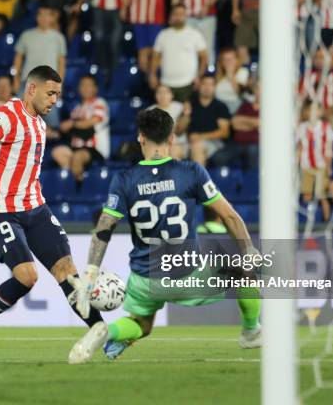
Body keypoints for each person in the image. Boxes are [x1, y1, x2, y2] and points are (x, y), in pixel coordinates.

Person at [66, 108, 262, 364]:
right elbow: (229, 216)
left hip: (145, 279)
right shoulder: (191, 172)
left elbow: (104, 227)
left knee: (142, 325)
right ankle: (251, 332)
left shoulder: (124, 179)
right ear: (172, 138)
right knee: (243, 271)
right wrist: (248, 250)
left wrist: (91, 272)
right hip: (186, 273)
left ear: (140, 138)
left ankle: (107, 331)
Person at [0, 65, 105, 363]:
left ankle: (101, 331)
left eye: (58, 95)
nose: (54, 100)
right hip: (4, 211)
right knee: (27, 277)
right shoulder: (7, 115)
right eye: (50, 93)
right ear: (31, 89)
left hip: (35, 207)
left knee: (68, 272)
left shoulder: (39, 123)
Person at [12, 6, 66, 130]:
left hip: (50, 85)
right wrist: (15, 79)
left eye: (47, 15)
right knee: (19, 119)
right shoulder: (26, 35)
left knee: (52, 123)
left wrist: (60, 85)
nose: (43, 18)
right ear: (36, 17)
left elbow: (62, 63)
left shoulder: (59, 38)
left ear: (52, 18)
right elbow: (18, 59)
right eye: (40, 15)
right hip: (28, 82)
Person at [52, 75, 110, 182]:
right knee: (57, 152)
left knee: (77, 157)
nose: (85, 88)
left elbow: (93, 121)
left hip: (94, 150)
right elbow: (69, 129)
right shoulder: (77, 109)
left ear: (95, 88)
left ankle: (80, 187)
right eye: (83, 85)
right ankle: (75, 180)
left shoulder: (100, 103)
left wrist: (71, 124)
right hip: (76, 148)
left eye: (89, 85)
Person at [149, 3, 208, 103]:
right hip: (166, 84)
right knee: (165, 117)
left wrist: (199, 76)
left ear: (186, 16)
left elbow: (204, 58)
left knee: (185, 116)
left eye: (181, 14)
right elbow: (155, 57)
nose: (178, 17)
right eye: (176, 14)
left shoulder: (195, 34)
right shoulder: (163, 35)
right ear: (171, 16)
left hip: (188, 84)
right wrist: (152, 75)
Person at [296, 100, 333, 222]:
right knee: (307, 194)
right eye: (309, 110)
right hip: (306, 166)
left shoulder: (325, 127)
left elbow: (329, 148)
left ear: (320, 112)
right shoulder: (302, 127)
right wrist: (296, 165)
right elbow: (300, 148)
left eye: (315, 110)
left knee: (321, 195)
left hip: (321, 166)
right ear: (305, 112)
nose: (312, 113)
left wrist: (329, 166)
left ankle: (326, 221)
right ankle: (309, 222)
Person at [213, 79, 260, 169]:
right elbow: (234, 123)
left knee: (252, 152)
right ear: (254, 90)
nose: (260, 91)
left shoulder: (269, 108)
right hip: (237, 144)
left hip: (255, 144)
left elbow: (261, 124)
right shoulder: (246, 106)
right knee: (218, 157)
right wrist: (253, 124)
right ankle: (225, 182)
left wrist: (244, 122)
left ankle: (252, 181)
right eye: (258, 88)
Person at [187, 74, 231, 166]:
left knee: (197, 147)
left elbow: (224, 132)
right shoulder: (191, 104)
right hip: (189, 141)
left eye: (211, 84)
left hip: (213, 142)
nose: (207, 87)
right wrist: (185, 115)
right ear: (199, 86)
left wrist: (200, 137)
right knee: (173, 150)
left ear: (215, 87)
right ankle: (176, 180)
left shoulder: (220, 106)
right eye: (205, 84)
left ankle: (198, 181)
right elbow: (179, 130)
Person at [147, 84, 190, 160]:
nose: (163, 95)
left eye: (166, 92)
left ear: (172, 95)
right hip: (158, 144)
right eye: (159, 92)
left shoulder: (180, 107)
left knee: (173, 151)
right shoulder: (150, 111)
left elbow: (182, 128)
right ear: (155, 95)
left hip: (179, 143)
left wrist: (185, 116)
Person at [124, 0, 166, 73]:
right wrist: (123, 8)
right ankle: (147, 78)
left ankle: (154, 77)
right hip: (139, 17)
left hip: (156, 15)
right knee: (142, 51)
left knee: (156, 51)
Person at [173, 0, 218, 67]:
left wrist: (207, 5)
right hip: (188, 16)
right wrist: (176, 12)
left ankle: (209, 71)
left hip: (208, 16)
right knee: (187, 45)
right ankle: (188, 69)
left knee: (208, 45)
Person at [299, 48, 333, 124]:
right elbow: (301, 97)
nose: (318, 60)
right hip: (310, 112)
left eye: (321, 57)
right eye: (316, 57)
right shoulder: (307, 77)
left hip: (330, 112)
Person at [91, 0, 124, 84]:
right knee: (99, 38)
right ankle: (103, 69)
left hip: (117, 7)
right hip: (99, 6)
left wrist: (124, 7)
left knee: (114, 42)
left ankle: (113, 72)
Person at [215, 47, 249, 114]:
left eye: (231, 59)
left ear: (237, 60)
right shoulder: (219, 74)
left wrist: (230, 74)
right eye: (225, 59)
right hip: (218, 105)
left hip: (235, 106)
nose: (228, 61)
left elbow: (240, 92)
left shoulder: (243, 72)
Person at [231, 0, 259, 65]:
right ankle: (245, 69)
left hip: (268, 12)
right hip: (246, 12)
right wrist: (235, 9)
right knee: (241, 42)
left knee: (271, 41)